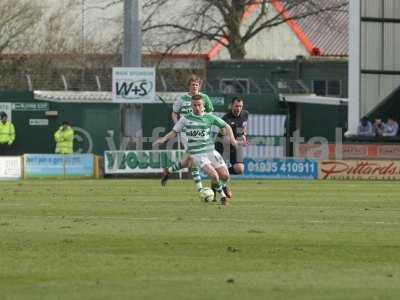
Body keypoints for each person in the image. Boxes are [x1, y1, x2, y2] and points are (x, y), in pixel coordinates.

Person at [154, 95, 238, 205]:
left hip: (210, 151)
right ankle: (222, 196)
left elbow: (226, 126)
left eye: (199, 105)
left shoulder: (209, 117)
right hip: (197, 153)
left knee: (225, 176)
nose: (197, 107)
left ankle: (168, 171)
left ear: (203, 106)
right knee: (214, 175)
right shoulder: (186, 118)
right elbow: (174, 132)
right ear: (191, 106)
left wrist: (233, 140)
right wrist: (164, 139)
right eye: (194, 105)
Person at [161, 75, 214, 193]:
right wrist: (178, 126)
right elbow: (174, 113)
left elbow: (210, 114)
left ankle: (168, 170)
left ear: (199, 86)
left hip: (202, 132)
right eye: (192, 84)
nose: (194, 86)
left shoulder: (204, 98)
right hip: (187, 133)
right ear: (189, 86)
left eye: (196, 84)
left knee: (188, 161)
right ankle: (200, 189)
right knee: (194, 159)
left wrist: (207, 126)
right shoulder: (182, 99)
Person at [215, 97, 249, 176]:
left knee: (240, 169)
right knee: (221, 168)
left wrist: (243, 135)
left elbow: (243, 126)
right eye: (236, 106)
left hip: (235, 144)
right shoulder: (226, 119)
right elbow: (225, 137)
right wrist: (238, 142)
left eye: (240, 106)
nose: (239, 108)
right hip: (222, 145)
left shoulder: (245, 114)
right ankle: (220, 175)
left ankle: (221, 172)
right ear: (231, 106)